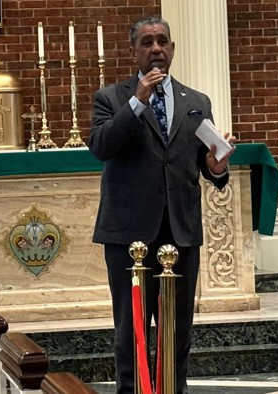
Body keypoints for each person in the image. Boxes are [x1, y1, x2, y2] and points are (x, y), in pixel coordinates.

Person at [88, 16, 235, 394]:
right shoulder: (112, 98)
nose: (156, 48)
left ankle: (174, 389)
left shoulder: (197, 101)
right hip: (129, 236)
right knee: (131, 329)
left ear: (172, 48)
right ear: (134, 50)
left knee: (178, 329)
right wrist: (137, 101)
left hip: (180, 232)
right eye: (147, 42)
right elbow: (102, 146)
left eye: (163, 41)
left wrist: (216, 167)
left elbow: (206, 165)